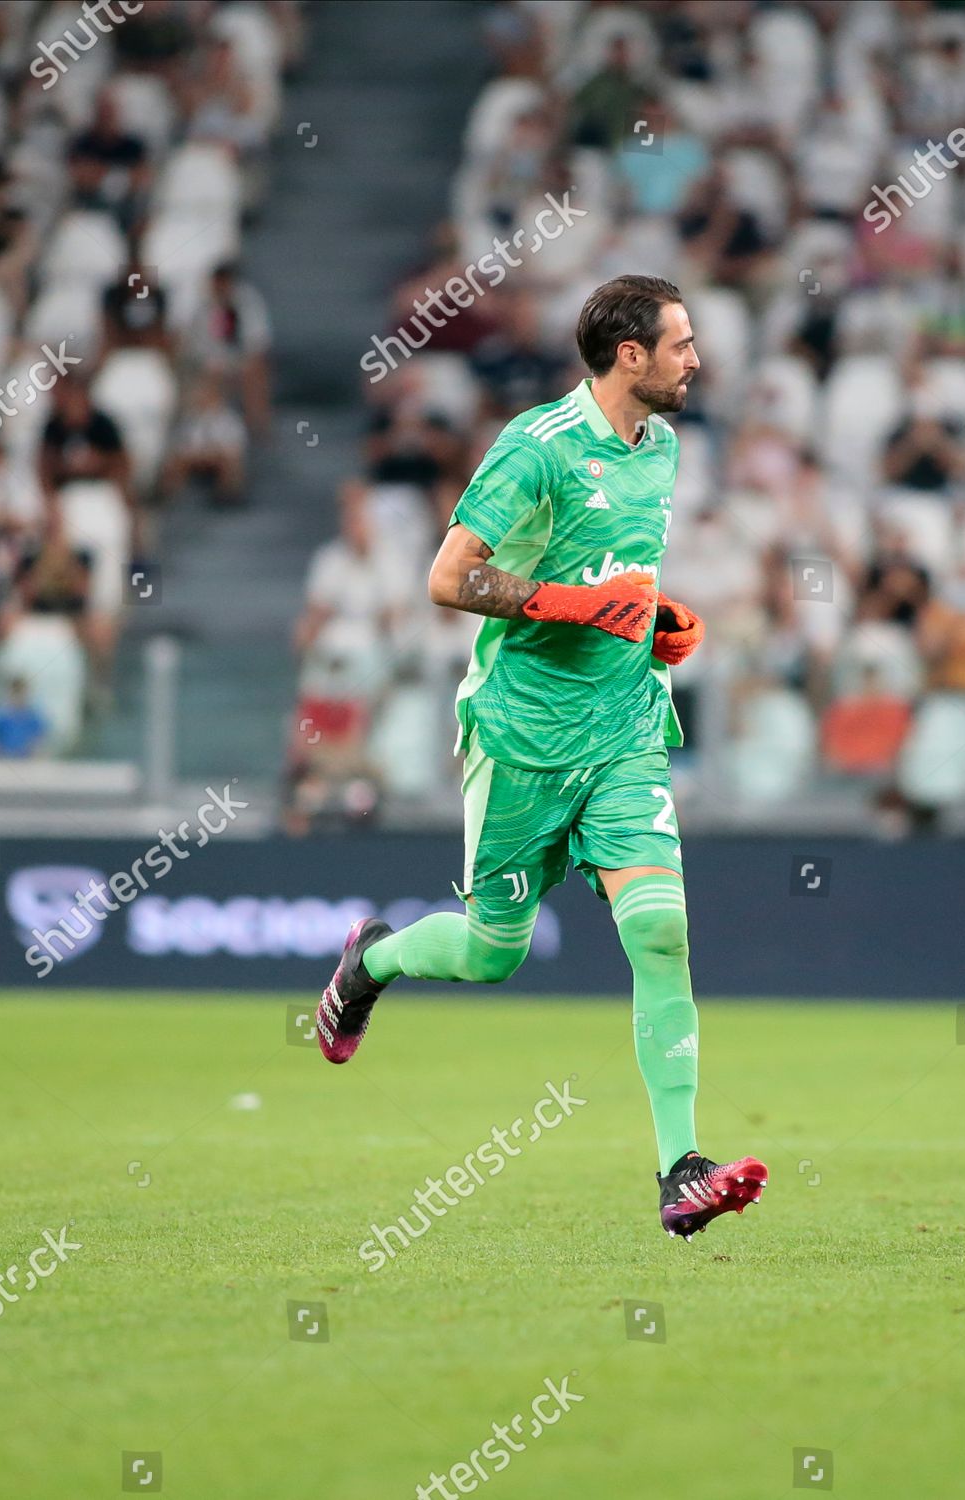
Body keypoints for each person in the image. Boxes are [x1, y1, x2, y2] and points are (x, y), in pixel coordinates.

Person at [315, 276, 767, 1240]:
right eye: (681, 343)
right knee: (492, 953)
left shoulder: (664, 448)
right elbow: (447, 578)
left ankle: (680, 1169)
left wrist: (654, 623)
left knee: (660, 932)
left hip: (623, 731)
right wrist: (570, 608)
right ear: (629, 357)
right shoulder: (535, 448)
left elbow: (616, 576)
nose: (697, 358)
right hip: (522, 734)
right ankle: (371, 967)